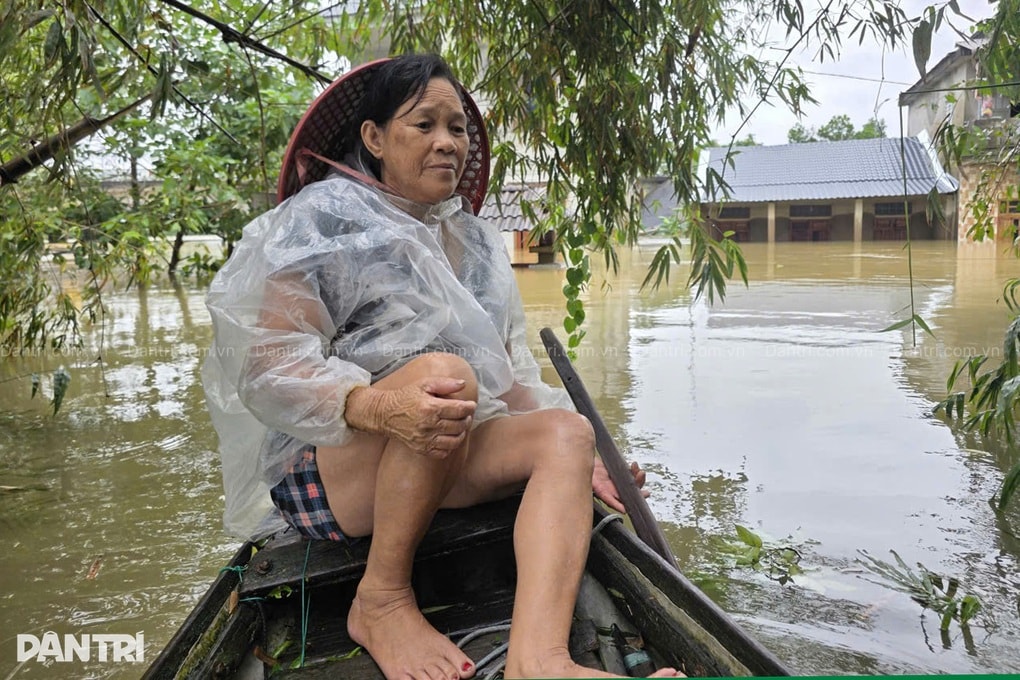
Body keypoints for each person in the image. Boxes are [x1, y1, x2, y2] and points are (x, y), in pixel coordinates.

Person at [202, 54, 680, 680]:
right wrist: (374, 405)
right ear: (374, 138)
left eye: (456, 128)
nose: (447, 142)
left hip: (437, 445)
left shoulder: (477, 241)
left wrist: (591, 468)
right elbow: (268, 366)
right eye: (422, 124)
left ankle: (540, 662)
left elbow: (510, 377)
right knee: (445, 374)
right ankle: (381, 600)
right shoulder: (324, 219)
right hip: (327, 472)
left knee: (567, 434)